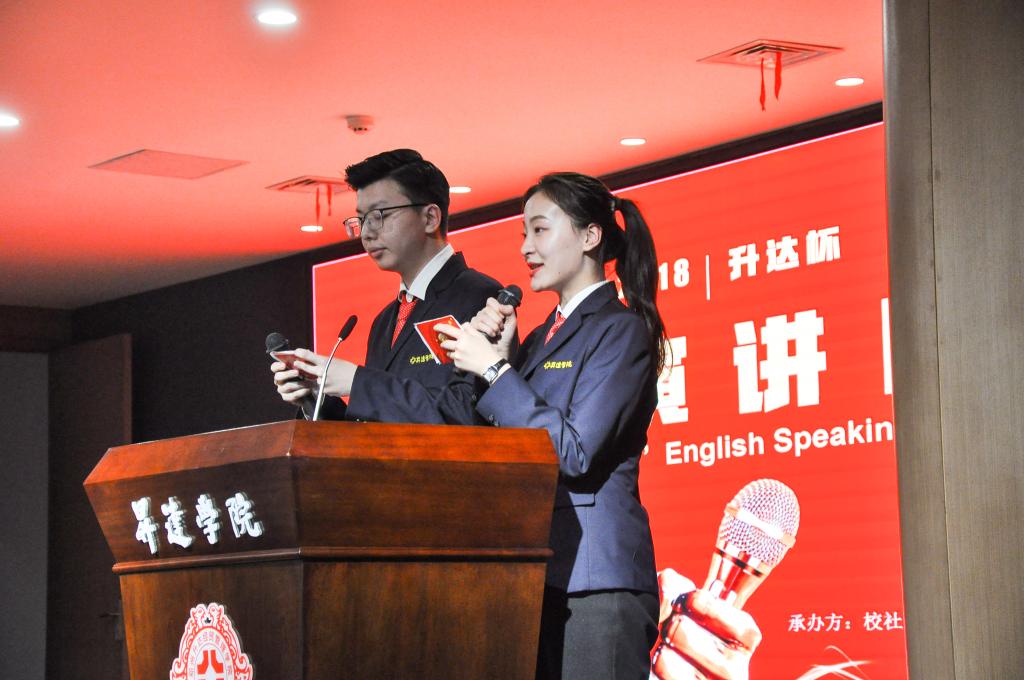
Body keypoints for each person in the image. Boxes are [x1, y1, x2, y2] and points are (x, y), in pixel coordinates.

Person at [436, 172, 666, 679]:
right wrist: (498, 362)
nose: (526, 247)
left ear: (590, 236)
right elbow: (508, 450)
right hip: (538, 574)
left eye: (540, 230)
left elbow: (575, 452)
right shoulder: (539, 337)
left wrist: (498, 372)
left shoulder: (621, 330)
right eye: (524, 233)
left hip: (597, 580)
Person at [271, 148, 504, 424]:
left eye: (379, 215)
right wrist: (317, 396)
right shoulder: (384, 321)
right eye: (362, 219)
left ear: (430, 218)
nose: (367, 233)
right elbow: (378, 427)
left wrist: (357, 382)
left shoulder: (478, 296)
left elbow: (465, 411)